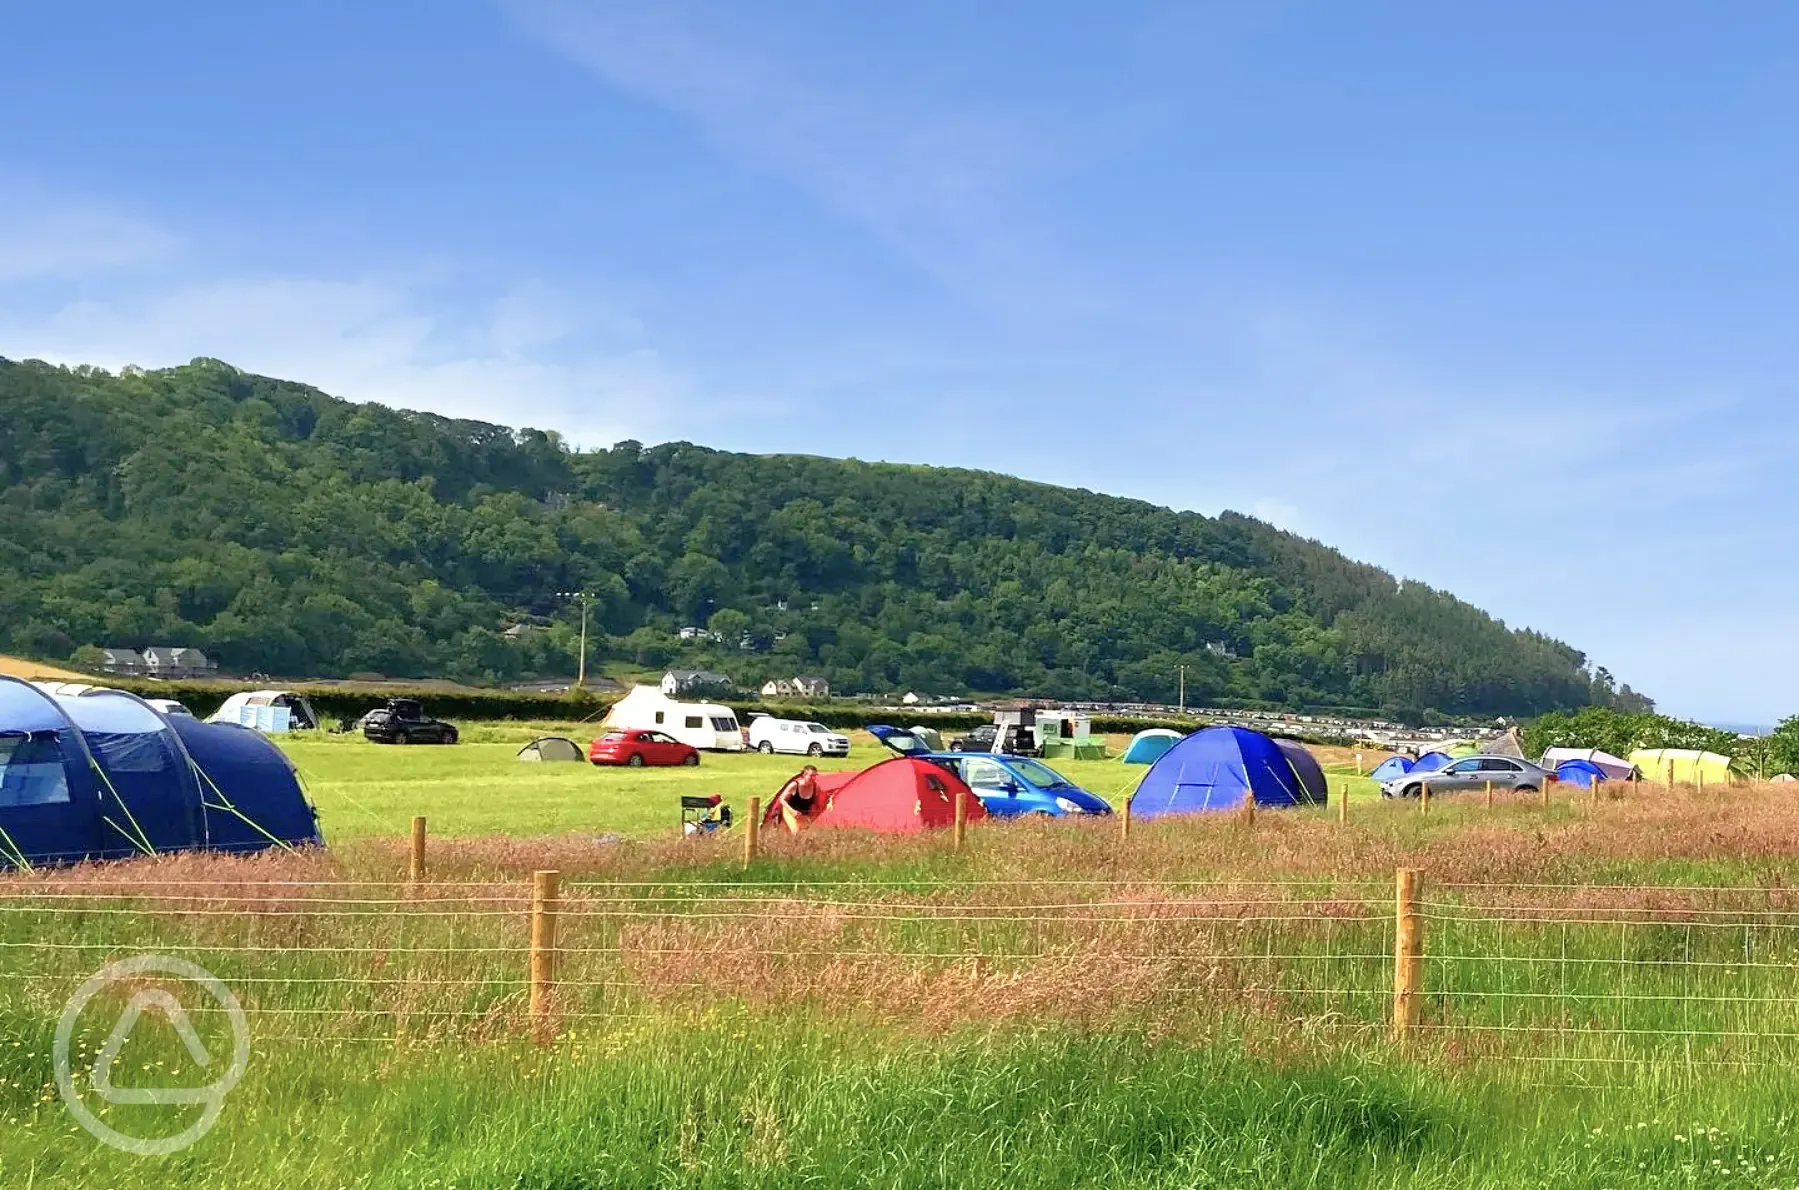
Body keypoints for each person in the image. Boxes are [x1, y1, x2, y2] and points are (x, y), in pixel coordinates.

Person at [776, 764, 821, 833]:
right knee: (796, 830)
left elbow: (816, 804)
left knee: (805, 832)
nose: (813, 778)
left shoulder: (816, 788)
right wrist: (792, 811)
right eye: (811, 776)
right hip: (789, 810)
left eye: (815, 776)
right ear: (804, 775)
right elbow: (782, 799)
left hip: (803, 813)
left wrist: (814, 814)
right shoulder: (794, 785)